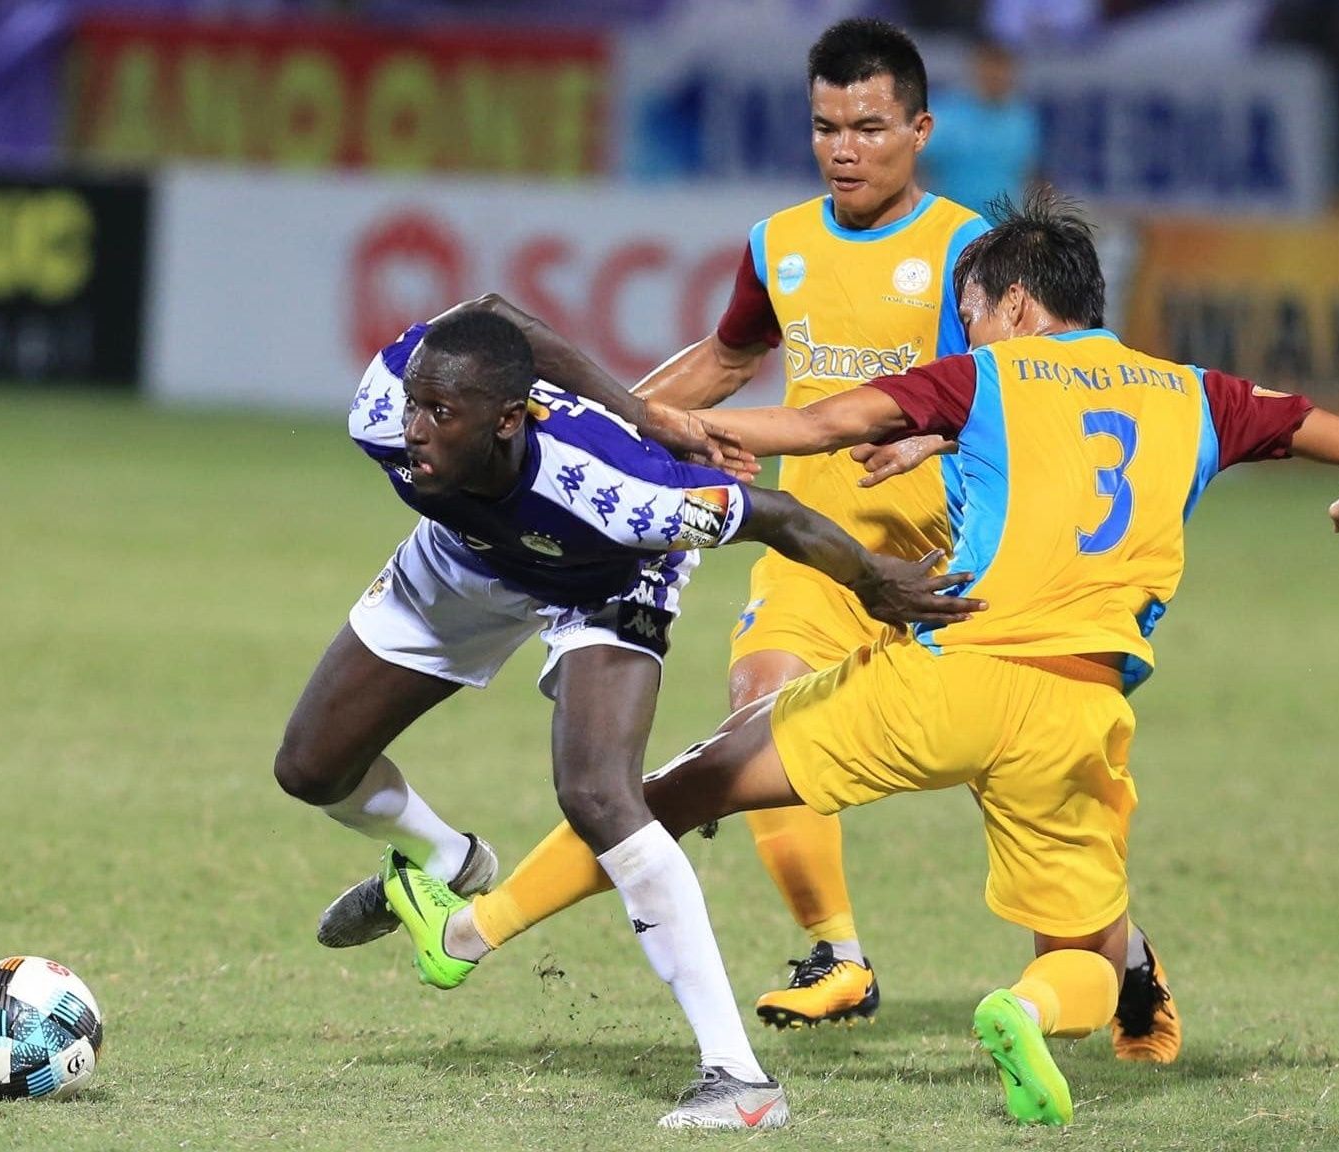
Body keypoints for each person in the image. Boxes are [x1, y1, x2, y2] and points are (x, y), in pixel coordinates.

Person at [380, 188, 1339, 1126]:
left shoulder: (984, 374)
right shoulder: (1199, 395)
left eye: (970, 311)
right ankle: (1021, 1009)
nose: (966, 328)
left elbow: (820, 424)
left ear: (1008, 304)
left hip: (948, 671)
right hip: (1078, 708)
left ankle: (471, 933)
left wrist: (679, 427)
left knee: (687, 786)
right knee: (1087, 957)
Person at [447, 17, 1177, 1060]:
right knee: (756, 707)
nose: (844, 148)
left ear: (919, 129)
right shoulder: (777, 243)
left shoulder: (970, 253)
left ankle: (1124, 954)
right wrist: (601, 430)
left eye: (868, 127)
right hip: (814, 551)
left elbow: (1021, 398)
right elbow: (727, 357)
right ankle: (835, 955)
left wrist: (924, 447)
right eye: (826, 126)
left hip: (946, 562)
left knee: (1016, 790)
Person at [275, 295, 980, 1131]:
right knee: (311, 768)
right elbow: (496, 313)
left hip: (605, 578)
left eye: (441, 412)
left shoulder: (623, 491)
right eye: (416, 403)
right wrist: (647, 406)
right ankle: (450, 860)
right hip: (464, 558)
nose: (415, 428)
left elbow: (777, 517)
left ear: (507, 421)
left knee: (599, 795)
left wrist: (874, 577)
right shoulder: (383, 407)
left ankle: (738, 1078)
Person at [919, 40, 1039, 212]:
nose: (996, 75)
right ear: (977, 68)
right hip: (955, 222)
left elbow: (1028, 171)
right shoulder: (947, 113)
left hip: (1004, 225)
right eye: (990, 67)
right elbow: (916, 161)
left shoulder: (1023, 118)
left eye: (1002, 68)